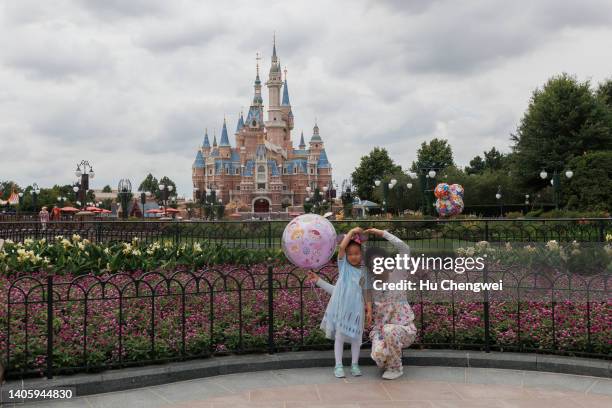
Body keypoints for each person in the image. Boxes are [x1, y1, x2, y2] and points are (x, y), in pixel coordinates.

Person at [307, 227, 370, 378]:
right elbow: (341, 248)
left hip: (357, 310)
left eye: (357, 253)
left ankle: (355, 365)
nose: (354, 257)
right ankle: (338, 365)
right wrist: (352, 232)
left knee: (356, 339)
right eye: (350, 254)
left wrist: (369, 310)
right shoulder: (344, 268)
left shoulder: (364, 272)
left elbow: (366, 291)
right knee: (340, 337)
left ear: (361, 254)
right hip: (342, 309)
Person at [363, 228, 417, 380]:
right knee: (379, 356)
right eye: (374, 264)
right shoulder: (371, 287)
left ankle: (396, 368)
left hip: (404, 329)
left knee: (389, 330)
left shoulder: (398, 274)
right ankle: (389, 359)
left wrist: (382, 233)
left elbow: (405, 249)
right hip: (380, 332)